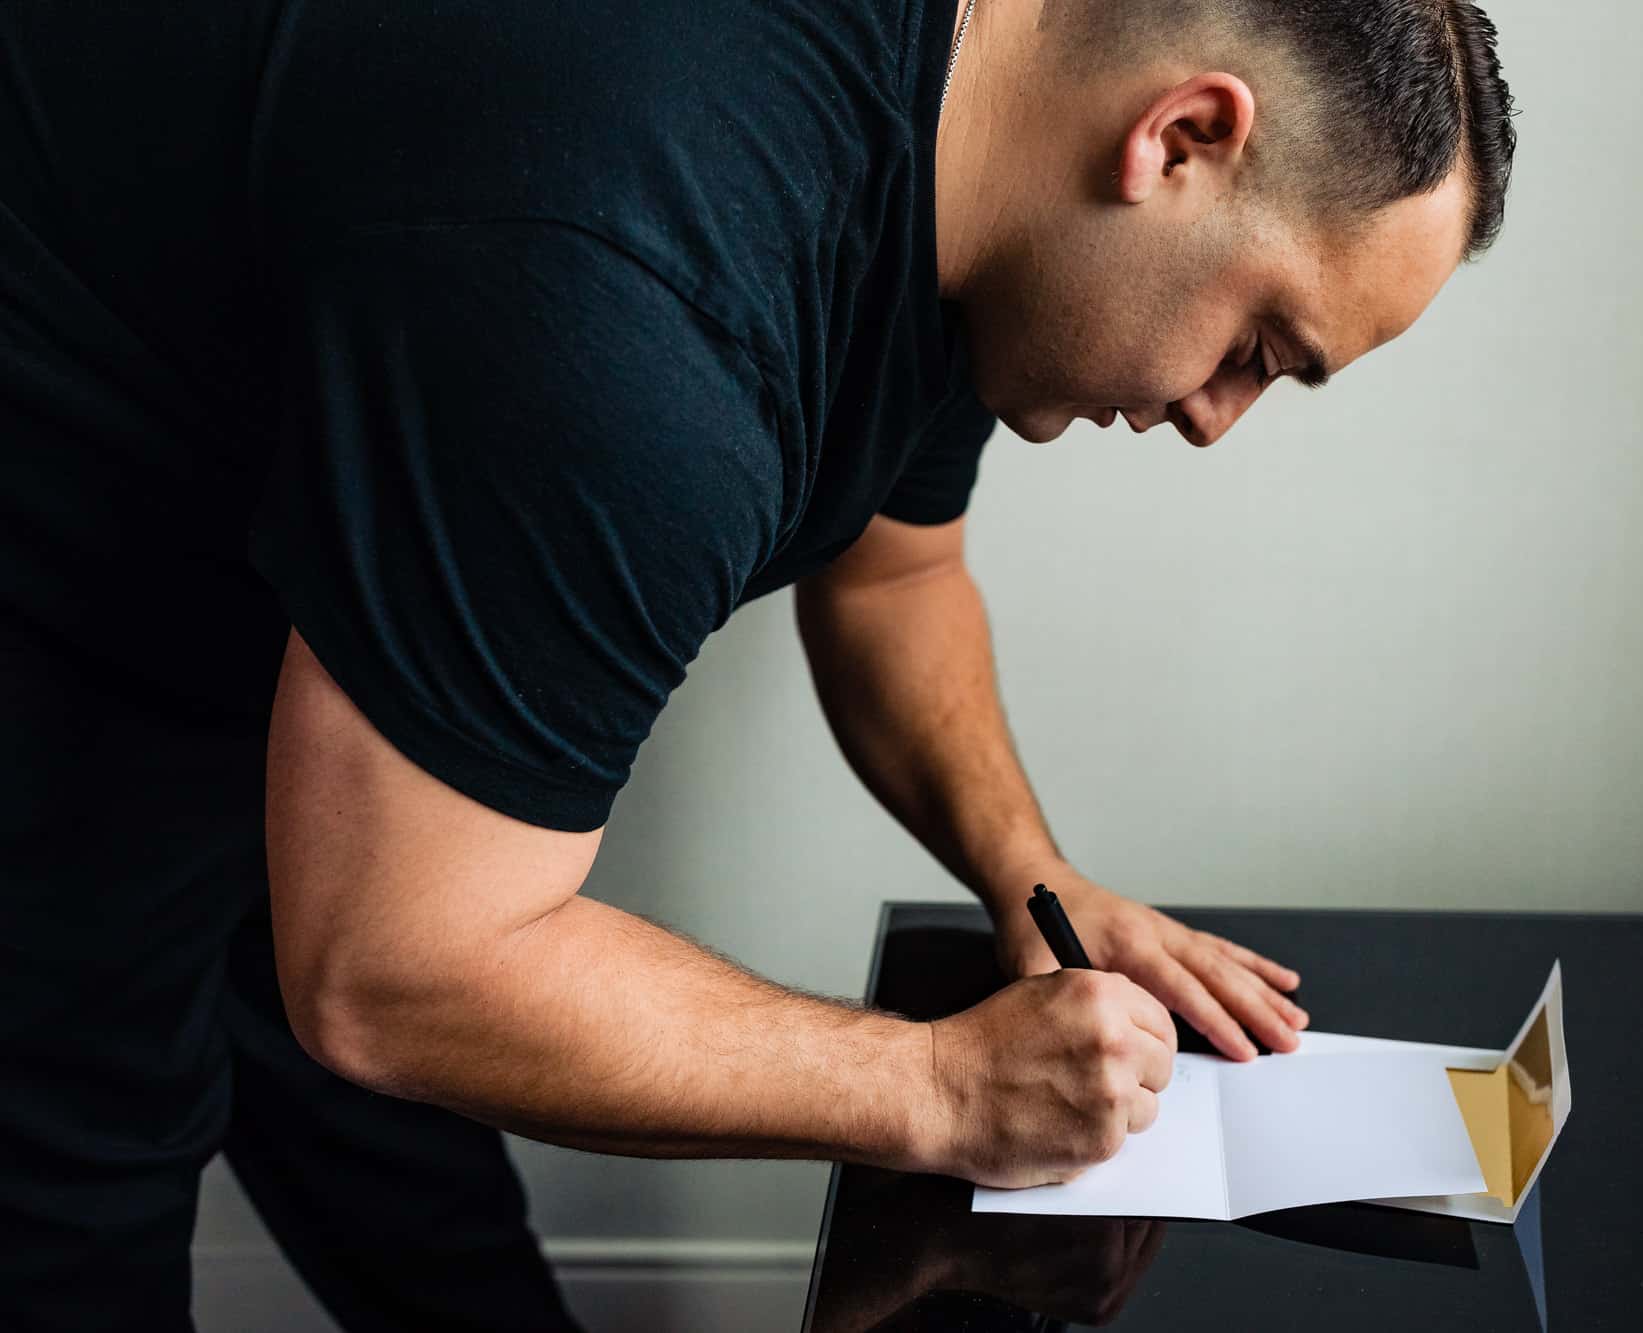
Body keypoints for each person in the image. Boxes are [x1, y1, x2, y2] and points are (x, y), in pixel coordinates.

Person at [0, 0, 1516, 1326]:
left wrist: (1031, 877)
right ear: (1180, 136)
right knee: (76, 1184)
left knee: (402, 1166)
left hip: (290, 441)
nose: (1216, 416)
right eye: (1263, 343)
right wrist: (941, 1088)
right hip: (62, 492)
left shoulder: (981, 150)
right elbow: (396, 974)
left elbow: (896, 575)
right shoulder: (638, 320)